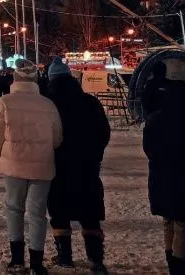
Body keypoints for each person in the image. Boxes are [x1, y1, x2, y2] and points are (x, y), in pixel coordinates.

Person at [0, 59, 62, 274]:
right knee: (38, 213)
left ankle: (17, 259)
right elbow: (57, 139)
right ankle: (37, 263)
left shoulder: (4, 103)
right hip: (42, 165)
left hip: (14, 164)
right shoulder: (48, 104)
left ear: (15, 78)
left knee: (14, 208)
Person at [45, 57, 111, 274]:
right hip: (87, 166)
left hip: (57, 165)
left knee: (59, 211)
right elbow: (103, 132)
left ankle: (65, 256)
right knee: (90, 213)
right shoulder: (90, 102)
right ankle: (95, 259)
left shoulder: (47, 104)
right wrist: (95, 154)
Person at [142, 58, 185, 275]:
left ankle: (173, 264)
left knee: (168, 220)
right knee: (184, 225)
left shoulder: (154, 119)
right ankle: (180, 267)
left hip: (161, 176)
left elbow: (148, 149)